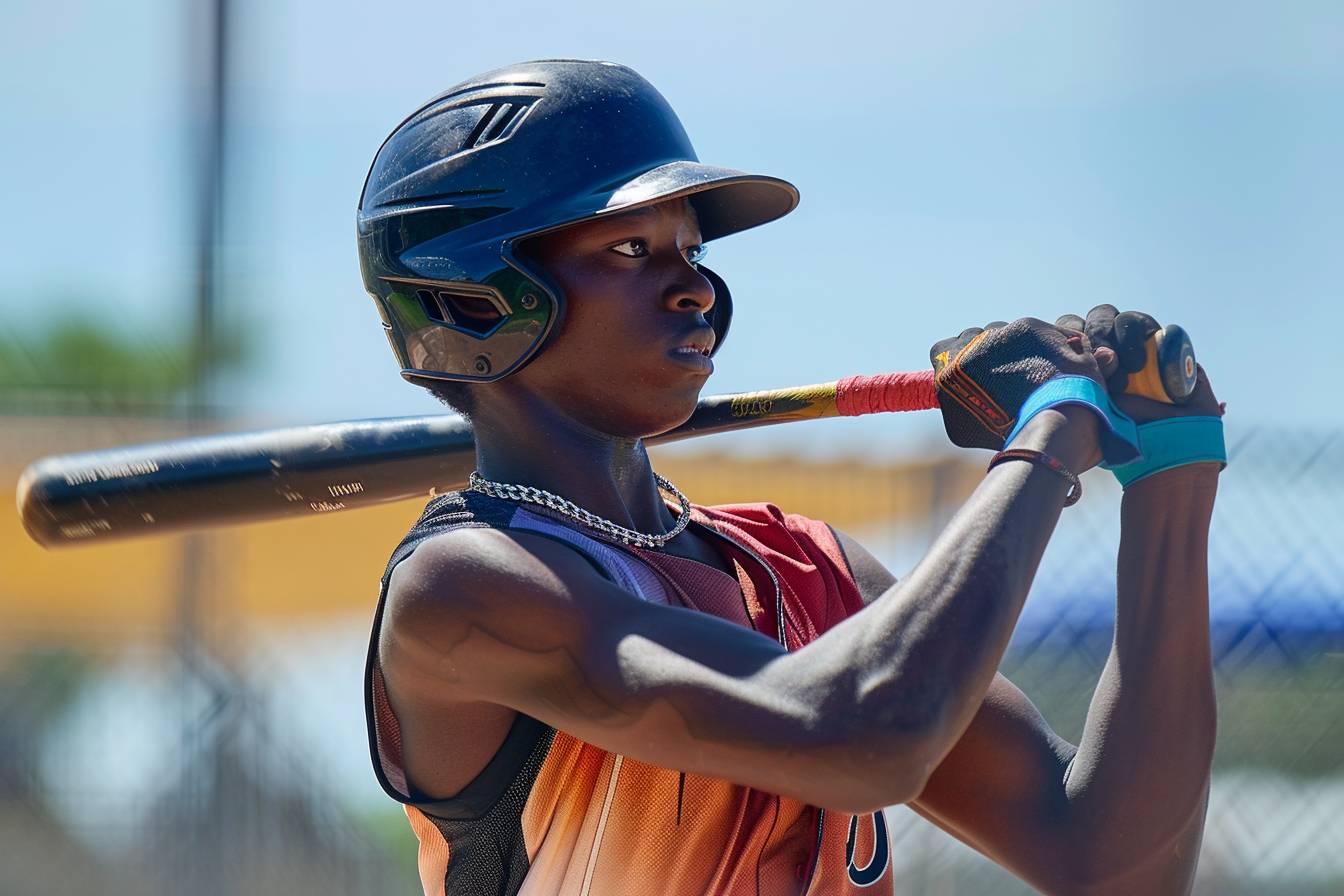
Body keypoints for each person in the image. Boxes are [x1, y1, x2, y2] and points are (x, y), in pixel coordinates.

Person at [357, 60, 1225, 895]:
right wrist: (1047, 437)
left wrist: (1172, 481)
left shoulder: (804, 567)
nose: (694, 286)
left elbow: (1116, 864)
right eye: (630, 247)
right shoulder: (465, 588)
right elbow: (862, 738)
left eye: (690, 248)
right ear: (473, 300)